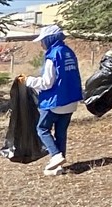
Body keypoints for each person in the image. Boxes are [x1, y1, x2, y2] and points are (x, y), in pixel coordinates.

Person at [20, 25, 82, 176]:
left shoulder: (53, 56)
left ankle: (55, 155)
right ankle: (58, 166)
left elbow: (47, 82)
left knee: (42, 129)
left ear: (49, 39)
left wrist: (28, 81)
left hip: (55, 101)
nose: (41, 44)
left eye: (42, 41)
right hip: (71, 100)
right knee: (61, 133)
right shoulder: (68, 52)